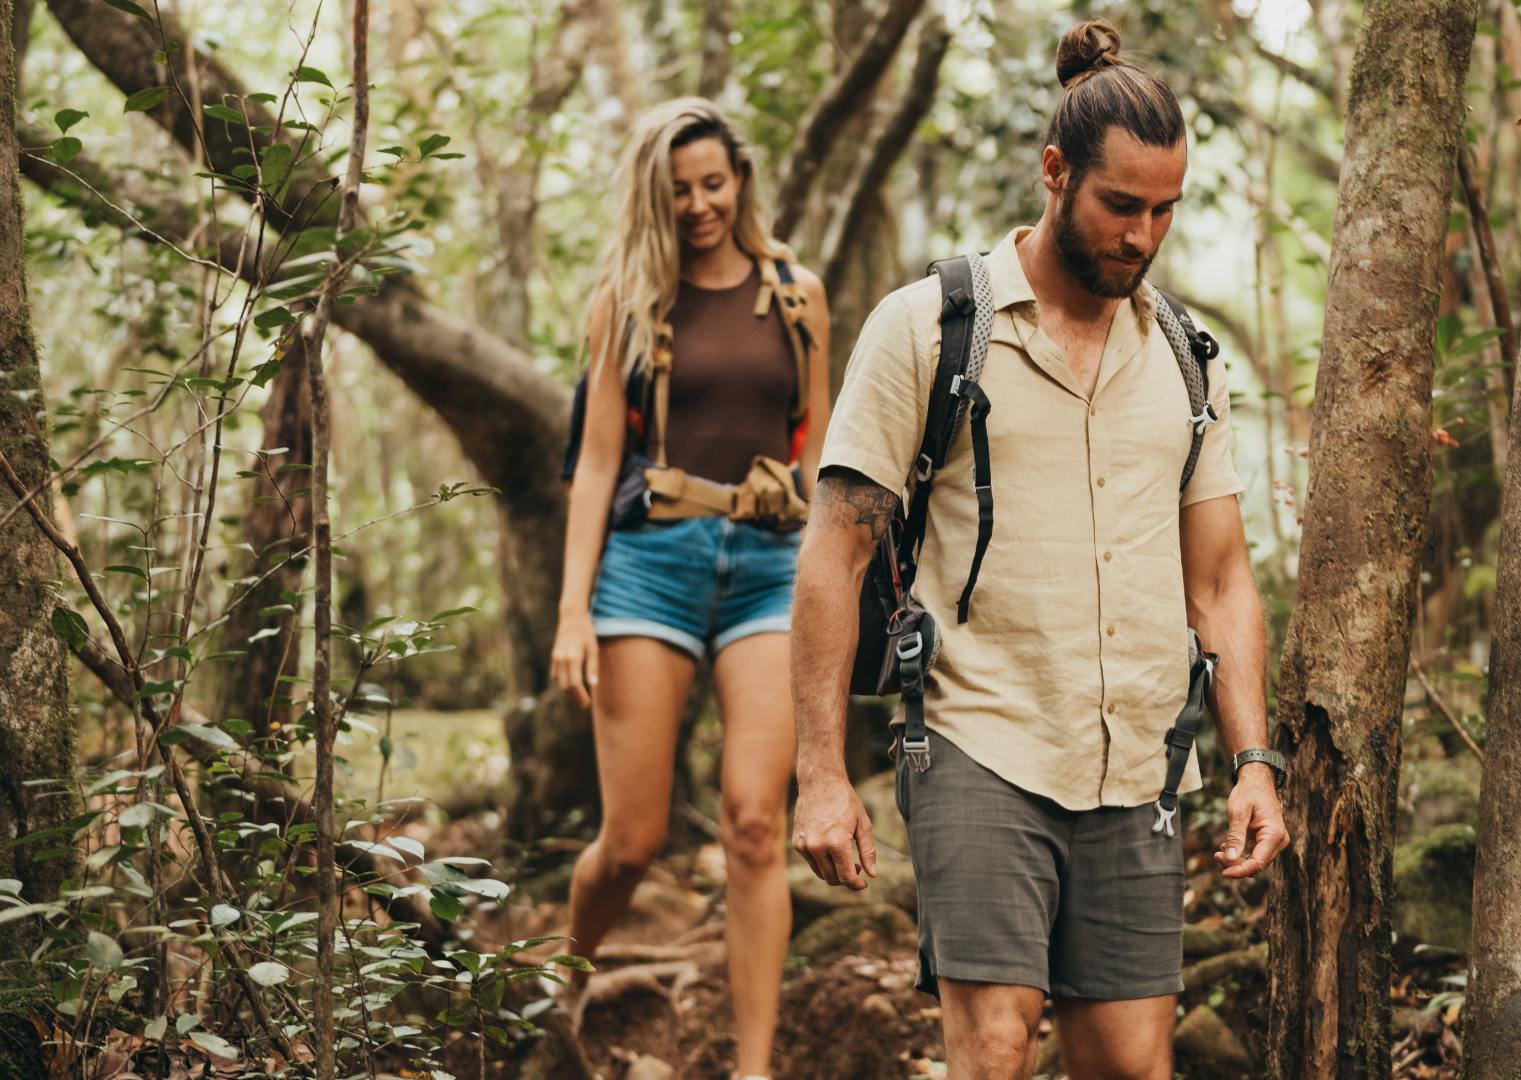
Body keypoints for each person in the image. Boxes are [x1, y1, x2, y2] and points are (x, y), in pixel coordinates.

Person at [788, 20, 1289, 1080]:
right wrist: (821, 775)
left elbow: (1222, 579)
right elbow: (833, 554)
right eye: (1121, 206)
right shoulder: (929, 327)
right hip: (981, 737)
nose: (1143, 236)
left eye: (1165, 210)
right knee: (997, 1041)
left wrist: (1253, 762)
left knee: (1129, 1066)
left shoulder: (1188, 360)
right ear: (1055, 173)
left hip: (1138, 761)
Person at [548, 97, 829, 1080]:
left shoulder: (798, 292)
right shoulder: (623, 301)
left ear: (740, 180)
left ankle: (754, 1070)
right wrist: (572, 612)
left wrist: (830, 580)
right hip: (650, 566)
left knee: (757, 822)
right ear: (653, 198)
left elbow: (822, 449)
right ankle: (567, 985)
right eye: (679, 191)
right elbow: (593, 467)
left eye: (714, 183)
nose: (700, 204)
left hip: (768, 567)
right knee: (632, 842)